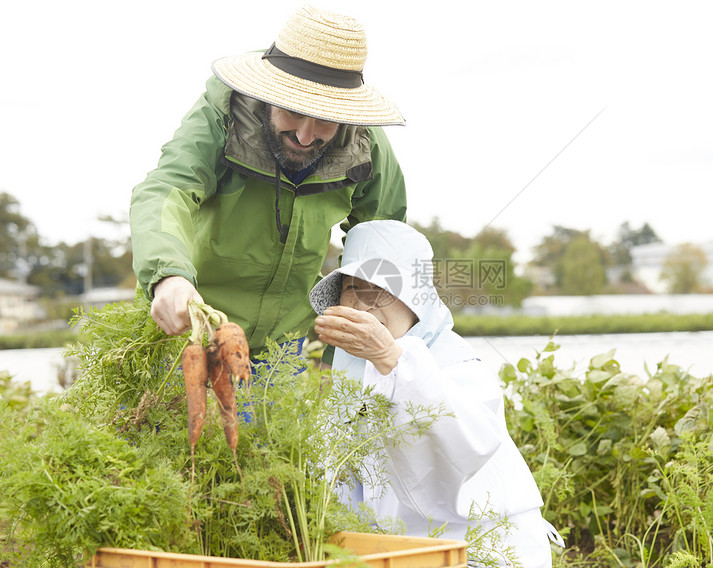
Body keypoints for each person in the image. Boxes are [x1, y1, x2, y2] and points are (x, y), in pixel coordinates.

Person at [130, 5, 407, 352]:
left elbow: (383, 239)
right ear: (269, 94)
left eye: (324, 121)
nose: (306, 137)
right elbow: (167, 190)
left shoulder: (366, 145)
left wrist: (353, 341)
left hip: (282, 348)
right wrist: (168, 275)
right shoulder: (221, 117)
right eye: (294, 112)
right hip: (192, 330)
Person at [310, 220, 561, 567]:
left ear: (416, 300)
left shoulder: (459, 367)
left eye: (381, 288)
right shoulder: (350, 371)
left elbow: (460, 452)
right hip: (397, 553)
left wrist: (390, 357)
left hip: (481, 554)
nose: (364, 305)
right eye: (353, 287)